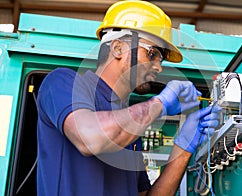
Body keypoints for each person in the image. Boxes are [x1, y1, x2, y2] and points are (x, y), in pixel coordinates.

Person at [36, 1, 221, 195]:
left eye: (161, 59)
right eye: (152, 53)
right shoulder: (63, 83)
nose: (159, 67)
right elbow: (89, 138)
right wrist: (160, 103)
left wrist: (184, 146)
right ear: (117, 48)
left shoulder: (130, 130)